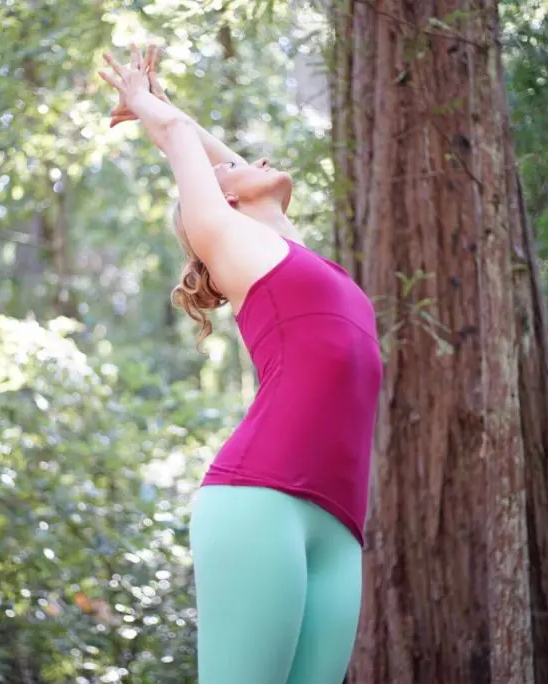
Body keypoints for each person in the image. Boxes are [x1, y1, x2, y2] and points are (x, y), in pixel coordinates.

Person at [100, 44, 383, 684]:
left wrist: (166, 104)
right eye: (233, 166)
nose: (246, 159)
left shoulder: (292, 252)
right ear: (220, 201)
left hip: (339, 527)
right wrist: (145, 106)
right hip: (260, 500)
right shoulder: (229, 242)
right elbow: (180, 141)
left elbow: (207, 149)